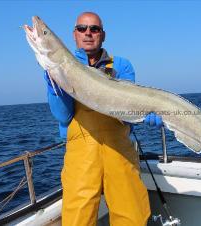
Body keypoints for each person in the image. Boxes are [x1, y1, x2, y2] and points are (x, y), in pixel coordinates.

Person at [44, 12, 163, 226]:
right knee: (77, 219)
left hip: (120, 153)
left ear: (103, 35)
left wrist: (145, 114)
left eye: (94, 29)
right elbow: (62, 115)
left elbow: (125, 116)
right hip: (80, 157)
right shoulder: (59, 66)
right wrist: (57, 84)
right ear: (74, 35)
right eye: (82, 28)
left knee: (132, 216)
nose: (88, 33)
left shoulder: (122, 66)